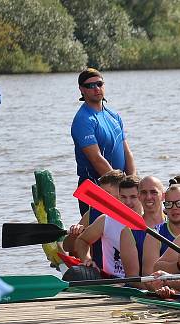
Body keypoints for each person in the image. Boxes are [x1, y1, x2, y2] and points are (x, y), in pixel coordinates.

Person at [71, 68, 135, 215]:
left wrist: (132, 182)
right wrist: (121, 186)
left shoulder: (113, 115)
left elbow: (127, 152)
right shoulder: (83, 120)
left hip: (120, 189)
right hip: (94, 188)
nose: (96, 88)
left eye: (99, 84)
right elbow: (96, 159)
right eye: (90, 86)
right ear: (81, 89)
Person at [73, 175, 141, 277]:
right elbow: (82, 241)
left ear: (141, 197)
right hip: (112, 282)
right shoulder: (105, 220)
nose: (128, 202)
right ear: (118, 197)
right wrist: (87, 260)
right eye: (123, 197)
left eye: (133, 197)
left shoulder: (152, 223)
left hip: (139, 282)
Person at [62, 170, 125, 268]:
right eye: (100, 193)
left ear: (122, 194)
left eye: (107, 193)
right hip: (100, 271)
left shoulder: (136, 212)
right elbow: (67, 247)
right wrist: (74, 234)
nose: (102, 198)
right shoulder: (92, 214)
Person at [142, 184, 180, 275]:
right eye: (169, 204)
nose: (174, 208)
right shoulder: (154, 235)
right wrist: (177, 266)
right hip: (163, 287)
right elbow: (150, 277)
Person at [118, 176, 165, 280]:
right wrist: (156, 289)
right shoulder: (128, 232)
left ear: (163, 196)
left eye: (154, 192)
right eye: (144, 192)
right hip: (145, 290)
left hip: (176, 287)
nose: (148, 197)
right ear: (139, 196)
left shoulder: (175, 224)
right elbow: (132, 278)